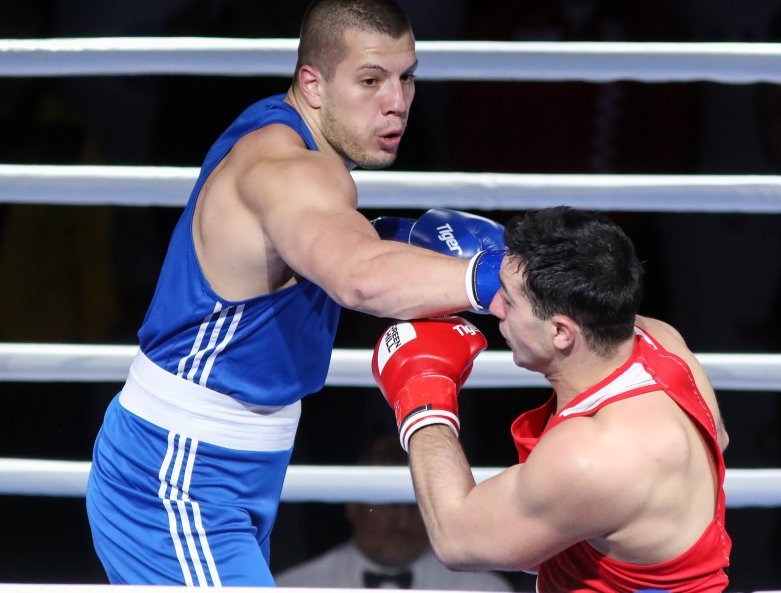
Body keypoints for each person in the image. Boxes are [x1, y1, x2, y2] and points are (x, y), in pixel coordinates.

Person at [85, 0, 506, 586]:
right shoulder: (293, 170)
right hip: (180, 471)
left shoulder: (280, 129)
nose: (397, 102)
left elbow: (318, 248)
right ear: (312, 83)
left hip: (228, 462)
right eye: (370, 80)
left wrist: (390, 239)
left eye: (407, 77)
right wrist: (496, 279)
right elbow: (360, 277)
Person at [372, 207, 732, 592]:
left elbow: (457, 540)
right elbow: (719, 438)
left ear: (562, 332)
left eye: (509, 301)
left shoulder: (592, 456)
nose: (493, 307)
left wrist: (424, 400)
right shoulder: (659, 340)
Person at [276, 435, 512, 590]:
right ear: (352, 504)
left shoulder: (483, 589)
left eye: (414, 505)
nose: (401, 522)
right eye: (387, 503)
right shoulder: (296, 586)